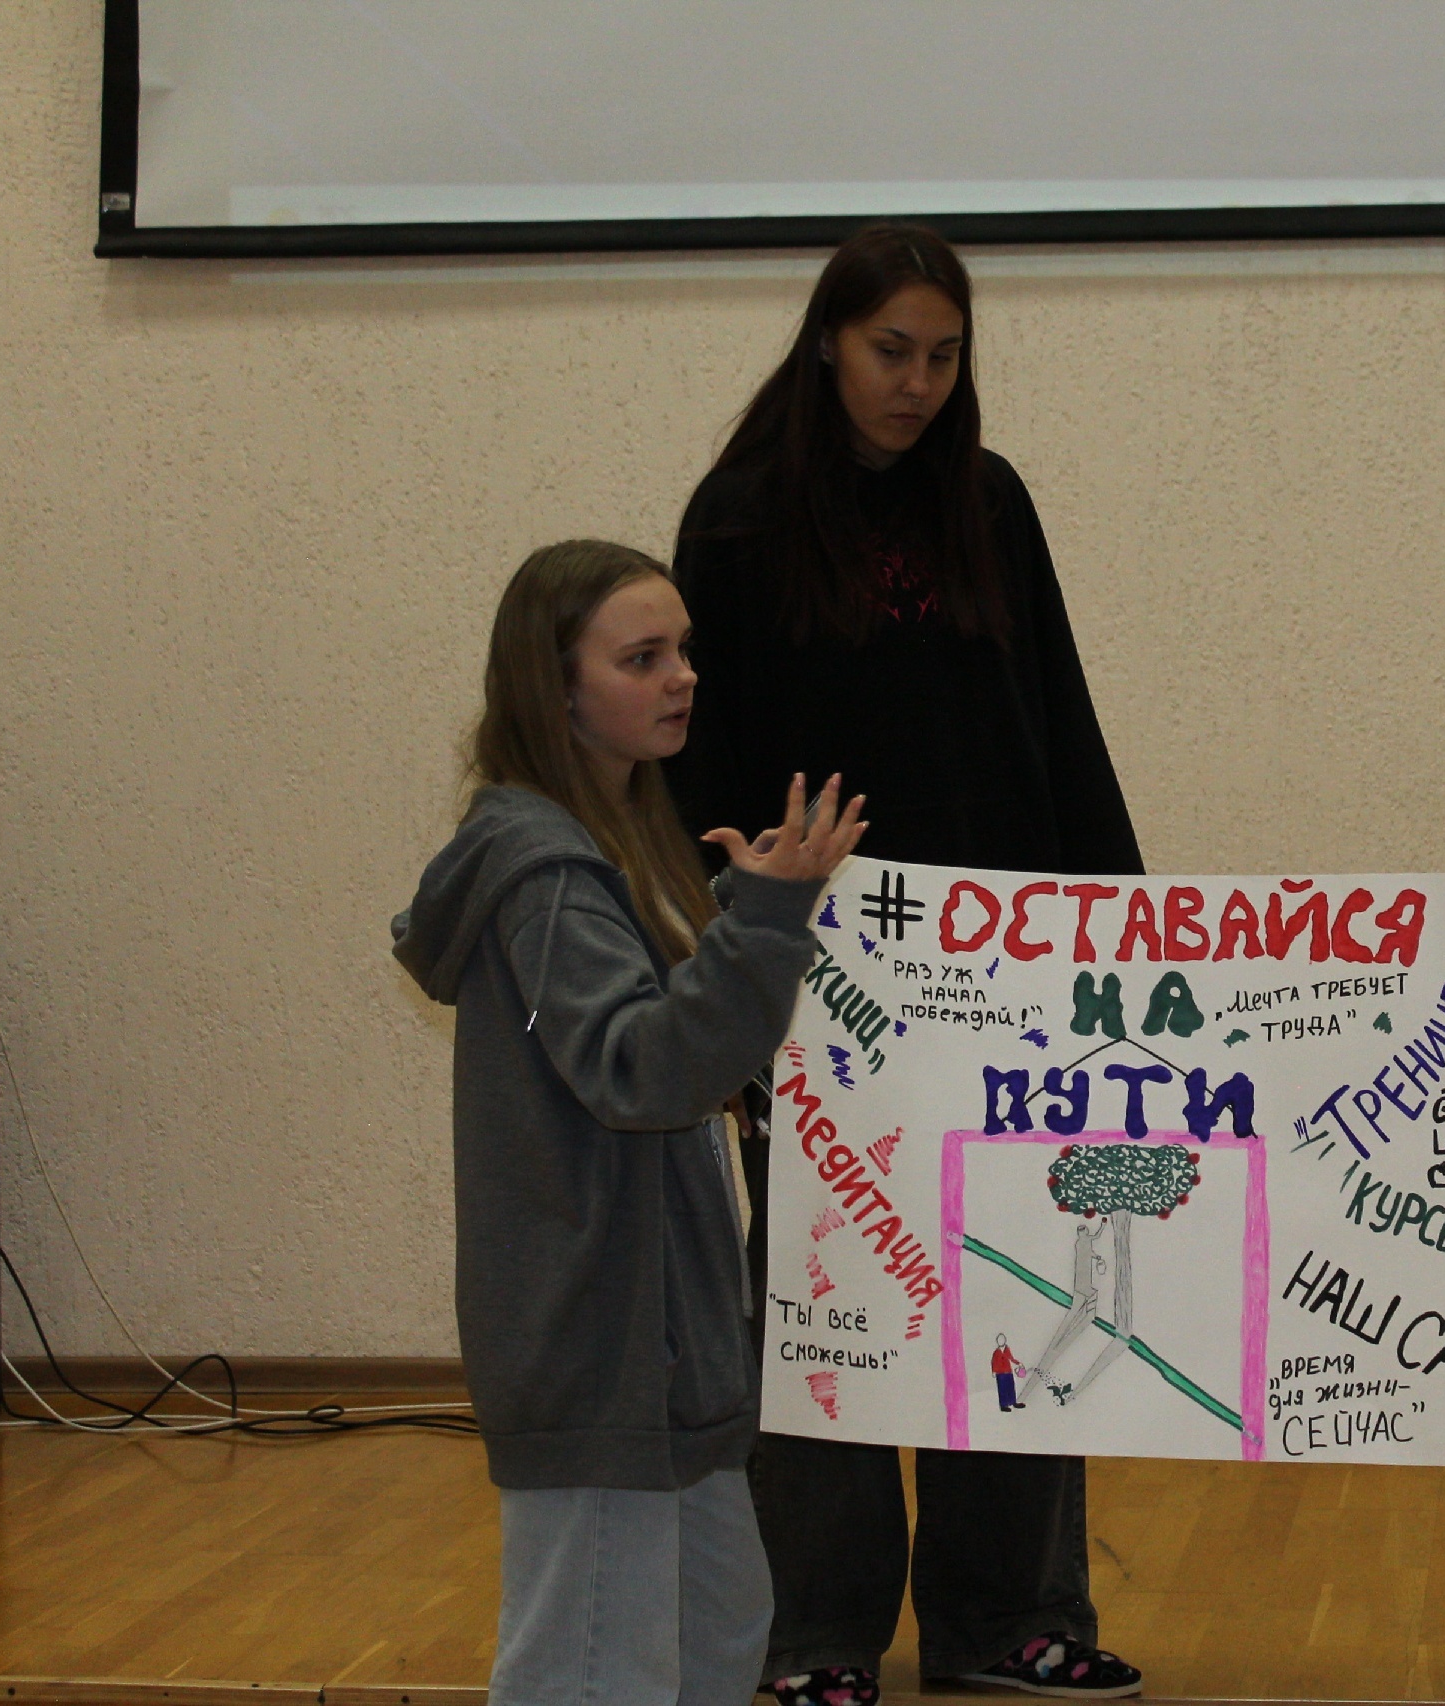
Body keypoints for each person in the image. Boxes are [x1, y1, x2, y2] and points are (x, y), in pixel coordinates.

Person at [663, 225, 1145, 1705]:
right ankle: (813, 1635)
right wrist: (735, 960)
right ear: (828, 341)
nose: (917, 382)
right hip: (826, 979)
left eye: (943, 355)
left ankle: (1007, 1616)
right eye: (891, 350)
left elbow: (1058, 719)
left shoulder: (989, 501)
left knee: (1024, 1280)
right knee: (827, 1296)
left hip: (1012, 970)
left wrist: (1121, 934)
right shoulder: (740, 519)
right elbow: (702, 765)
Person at [394, 539, 867, 1705]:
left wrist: (742, 915)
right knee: (593, 1666)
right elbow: (640, 1070)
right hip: (600, 1345)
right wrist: (763, 926)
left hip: (671, 1347)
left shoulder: (626, 842)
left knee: (718, 1632)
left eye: (683, 650)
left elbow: (669, 1029)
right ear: (555, 686)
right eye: (642, 657)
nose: (682, 676)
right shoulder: (546, 874)